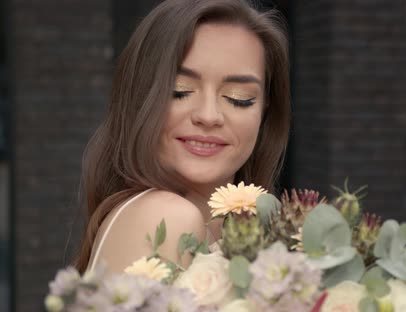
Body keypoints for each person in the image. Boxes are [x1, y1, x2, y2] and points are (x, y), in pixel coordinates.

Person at [74, 0, 290, 274]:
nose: (209, 116)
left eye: (239, 98)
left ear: (265, 110)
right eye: (180, 91)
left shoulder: (261, 231)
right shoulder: (165, 217)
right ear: (140, 98)